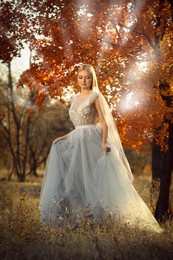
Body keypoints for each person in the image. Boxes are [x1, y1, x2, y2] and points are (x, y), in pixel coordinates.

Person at [39, 64, 162, 233]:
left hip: (91, 141)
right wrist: (65, 137)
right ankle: (73, 219)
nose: (83, 80)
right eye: (80, 77)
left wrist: (104, 142)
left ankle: (102, 221)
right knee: (73, 176)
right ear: (77, 79)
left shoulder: (95, 95)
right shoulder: (74, 98)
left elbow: (104, 123)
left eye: (87, 77)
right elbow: (77, 126)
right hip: (76, 139)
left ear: (92, 79)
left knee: (94, 181)